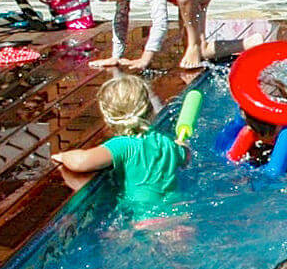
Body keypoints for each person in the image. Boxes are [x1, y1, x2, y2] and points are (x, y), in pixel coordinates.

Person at [48, 72, 186, 208]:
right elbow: (186, 157)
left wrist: (64, 156)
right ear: (150, 109)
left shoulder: (123, 145)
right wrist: (180, 146)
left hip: (146, 221)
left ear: (108, 118)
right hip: (177, 213)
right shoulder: (166, 142)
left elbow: (81, 162)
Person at [82, 0, 219, 73]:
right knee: (200, 50)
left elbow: (160, 21)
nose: (106, 1)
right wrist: (116, 56)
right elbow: (120, 20)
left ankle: (194, 45)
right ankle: (240, 46)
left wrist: (145, 58)